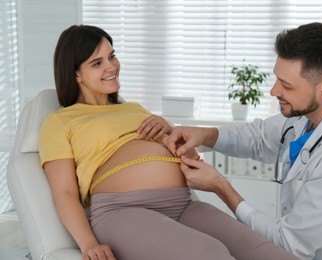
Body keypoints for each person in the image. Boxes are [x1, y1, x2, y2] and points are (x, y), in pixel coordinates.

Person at [38, 24, 298, 260]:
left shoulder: (135, 109)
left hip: (182, 204)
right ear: (76, 75)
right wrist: (88, 244)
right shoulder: (61, 122)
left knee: (265, 251)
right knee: (211, 254)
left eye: (112, 56)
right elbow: (64, 192)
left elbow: (192, 159)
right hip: (122, 211)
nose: (111, 67)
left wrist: (171, 130)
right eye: (97, 63)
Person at [165, 22, 322, 260]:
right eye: (277, 79)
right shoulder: (315, 111)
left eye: (286, 85)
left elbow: (290, 243)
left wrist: (222, 187)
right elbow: (259, 137)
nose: (273, 91)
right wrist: (203, 135)